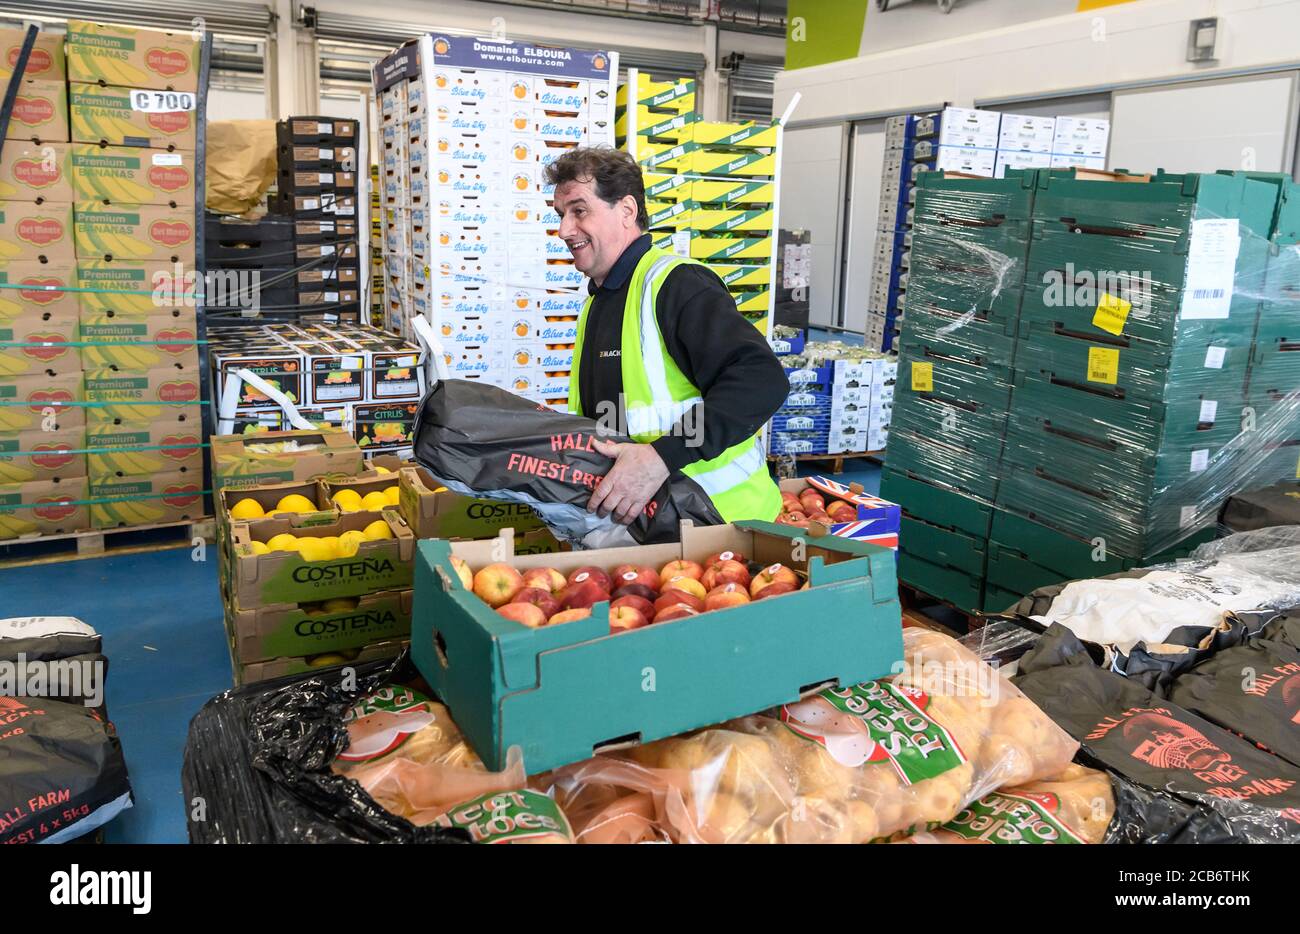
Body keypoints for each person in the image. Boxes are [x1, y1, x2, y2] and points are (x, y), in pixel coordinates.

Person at [543, 146, 788, 526]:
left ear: (626, 211)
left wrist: (662, 455)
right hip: (656, 528)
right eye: (561, 215)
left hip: (723, 526)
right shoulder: (601, 301)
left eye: (579, 211)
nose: (564, 230)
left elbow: (762, 381)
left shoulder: (676, 284)